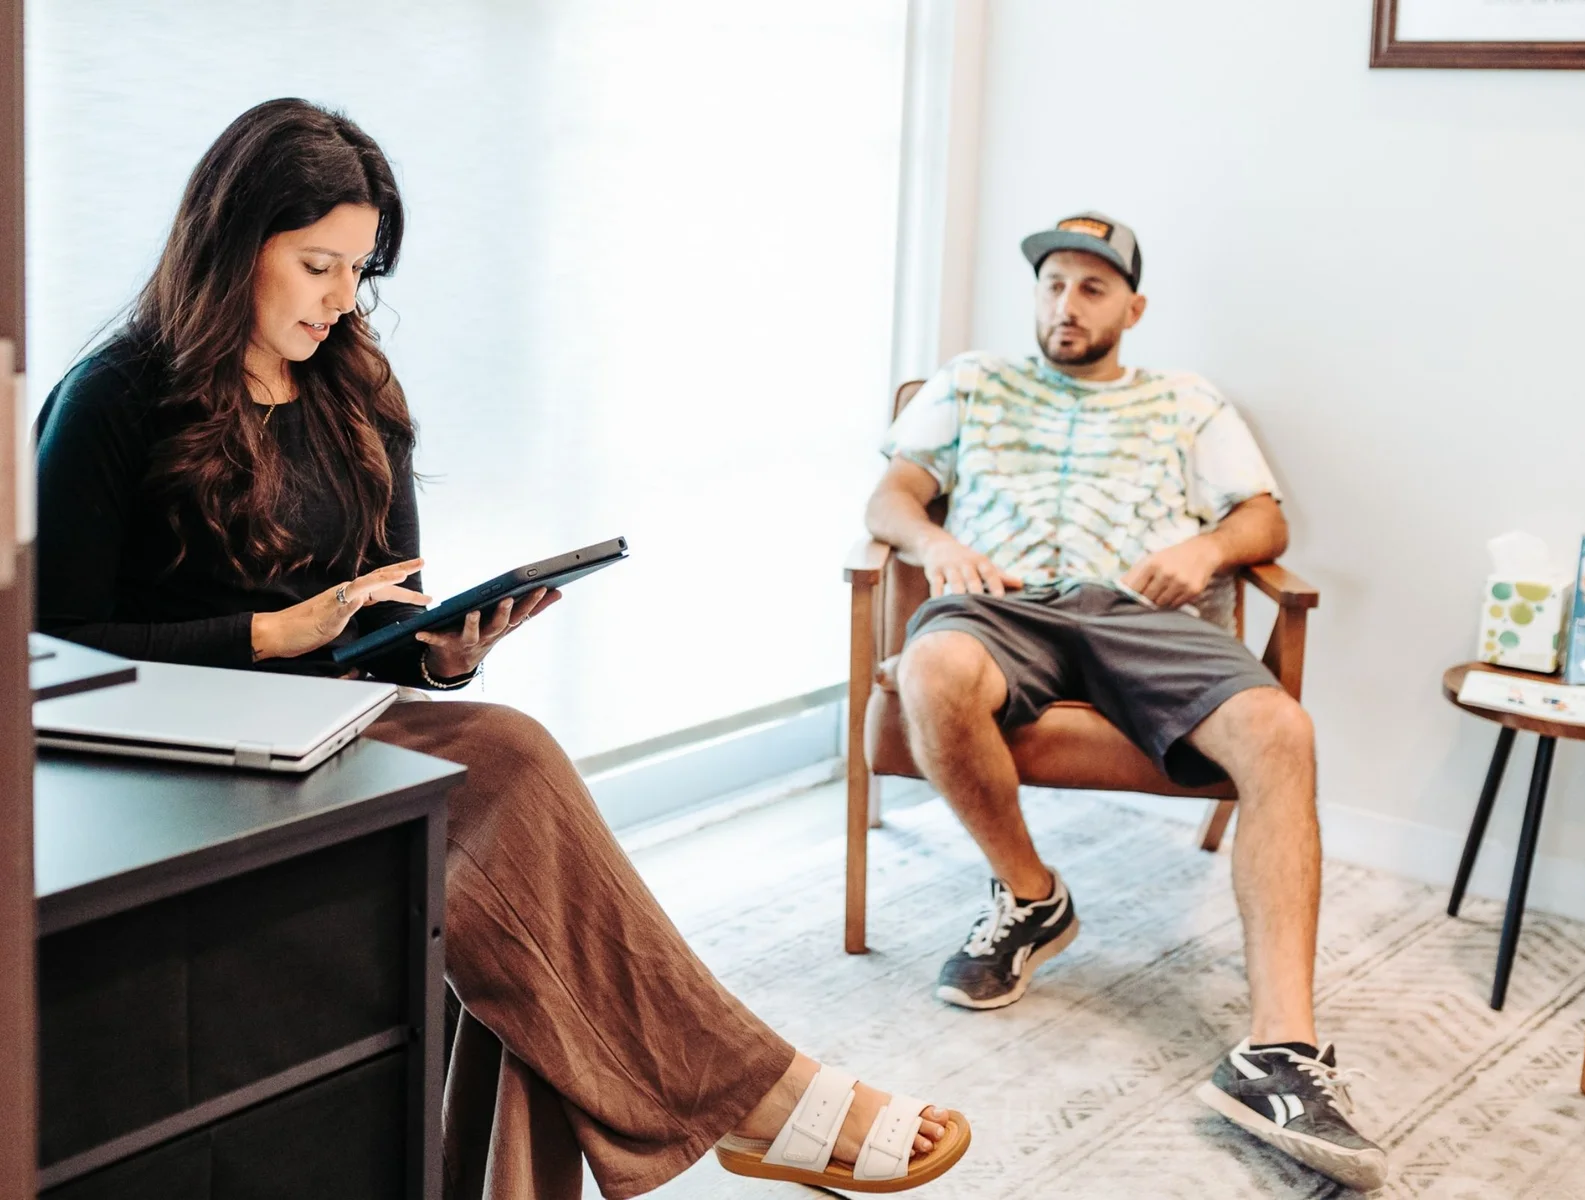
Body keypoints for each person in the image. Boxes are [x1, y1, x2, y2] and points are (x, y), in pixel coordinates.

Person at [34, 98, 969, 1199]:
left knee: (527, 940)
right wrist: (268, 633)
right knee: (512, 787)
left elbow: (384, 619)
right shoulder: (115, 397)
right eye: (318, 266)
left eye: (360, 271)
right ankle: (761, 1098)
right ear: (232, 244)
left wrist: (440, 656)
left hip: (335, 728)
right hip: (180, 760)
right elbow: (51, 645)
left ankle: (758, 1100)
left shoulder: (354, 388)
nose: (343, 300)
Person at [863, 212, 1387, 1191]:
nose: (1067, 304)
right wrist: (936, 543)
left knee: (1280, 729)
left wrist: (1209, 548)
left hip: (1140, 612)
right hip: (1003, 603)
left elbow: (1264, 518)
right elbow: (890, 496)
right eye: (1053, 283)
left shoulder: (1189, 400)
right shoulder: (972, 381)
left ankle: (1279, 1052)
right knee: (931, 669)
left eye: (1093, 288)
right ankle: (1032, 897)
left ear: (1132, 309)